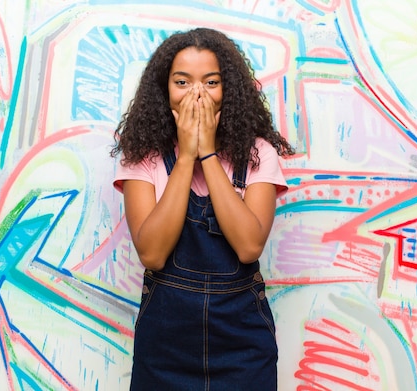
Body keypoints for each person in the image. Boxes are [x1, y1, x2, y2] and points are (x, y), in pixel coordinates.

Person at [111, 27, 294, 391]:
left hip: (241, 344)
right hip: (166, 344)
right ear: (164, 90)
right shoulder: (143, 157)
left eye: (211, 83)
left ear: (230, 90)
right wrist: (185, 157)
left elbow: (248, 246)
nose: (197, 94)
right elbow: (152, 252)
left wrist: (207, 153)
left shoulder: (259, 154)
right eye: (182, 82)